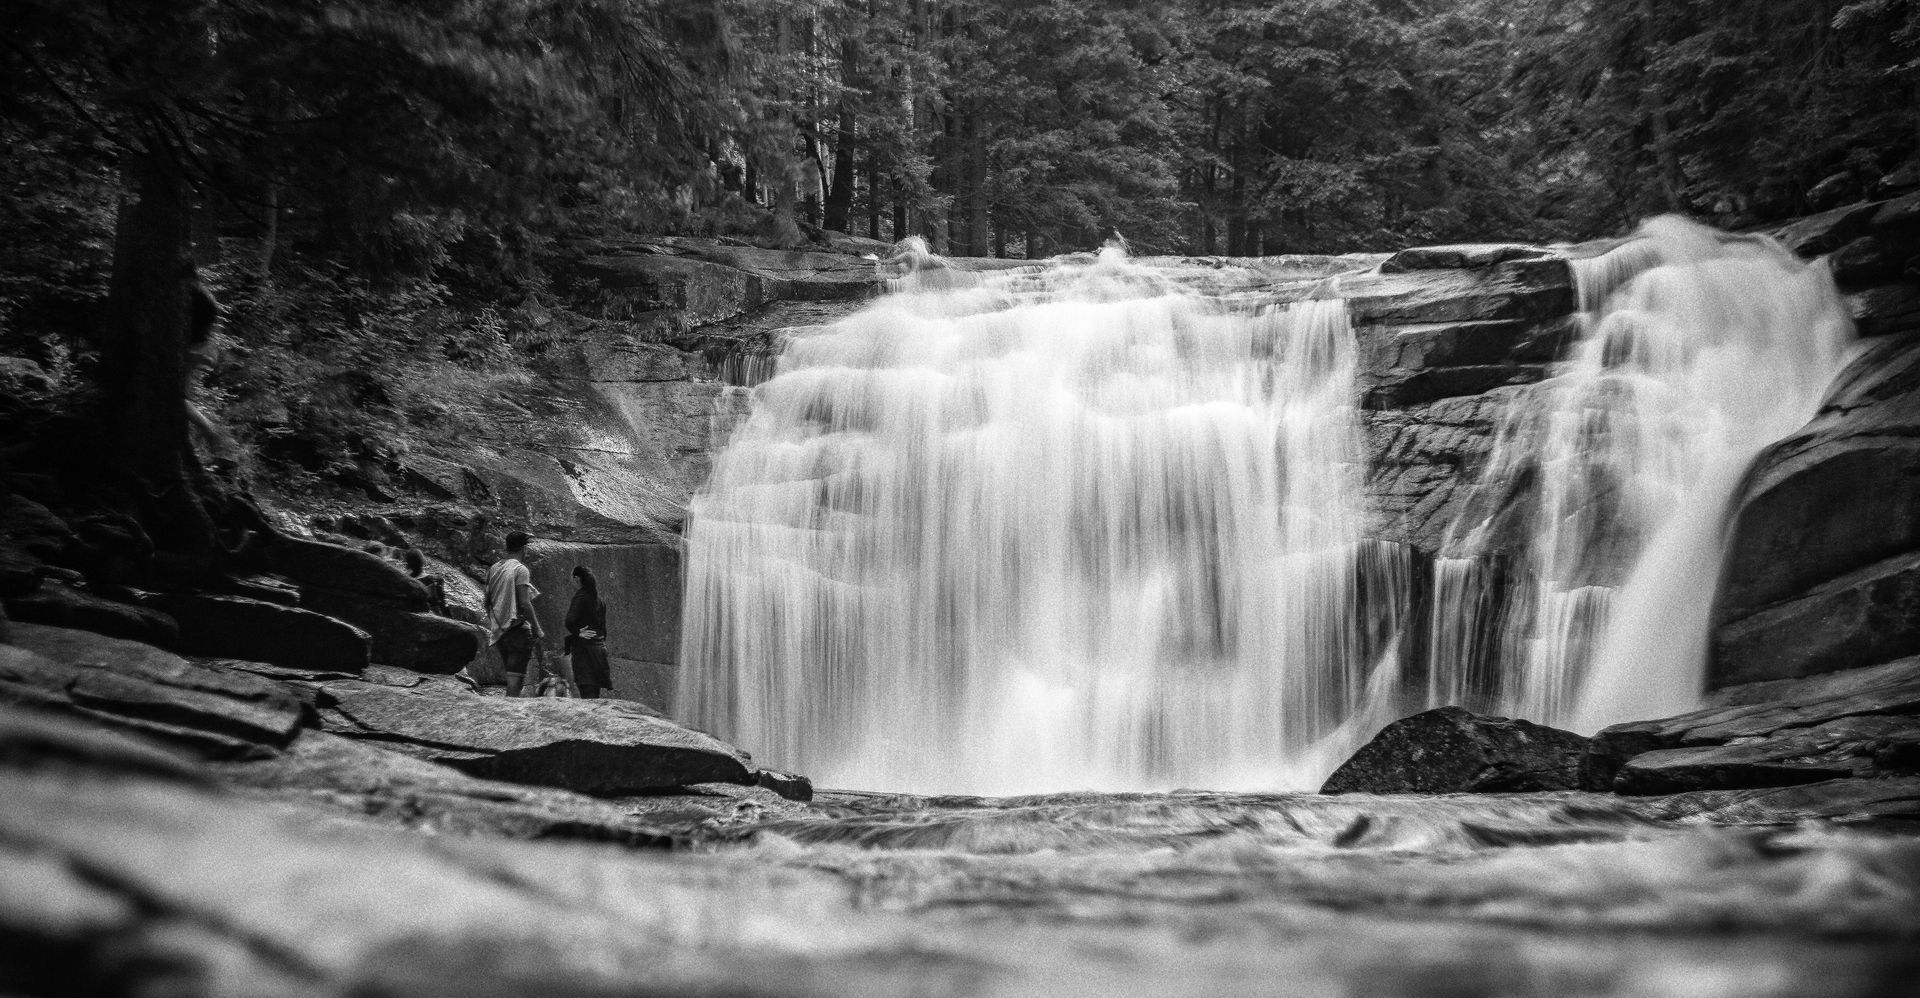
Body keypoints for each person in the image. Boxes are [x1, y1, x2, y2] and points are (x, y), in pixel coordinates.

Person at [483, 531, 571, 697]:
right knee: (515, 683)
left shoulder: (494, 568)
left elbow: (486, 601)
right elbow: (524, 603)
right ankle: (510, 715)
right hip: (517, 631)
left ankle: (508, 709)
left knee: (511, 677)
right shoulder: (520, 569)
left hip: (500, 633)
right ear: (523, 548)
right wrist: (538, 629)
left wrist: (496, 623)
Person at [564, 565, 613, 699]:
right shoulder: (600, 600)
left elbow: (569, 621)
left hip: (584, 652)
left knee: (586, 692)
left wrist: (578, 633)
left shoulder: (581, 597)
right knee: (595, 694)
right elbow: (604, 629)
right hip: (599, 650)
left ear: (577, 579)